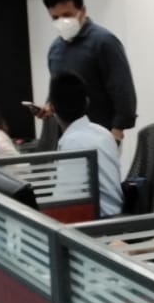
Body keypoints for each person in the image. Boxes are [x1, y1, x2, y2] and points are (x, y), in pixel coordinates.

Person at [39, 0, 136, 146]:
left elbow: (123, 91)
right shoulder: (55, 49)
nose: (62, 21)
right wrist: (49, 106)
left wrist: (116, 133)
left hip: (101, 137)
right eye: (55, 17)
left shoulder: (104, 42)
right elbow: (59, 91)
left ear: (82, 11)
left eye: (67, 15)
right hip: (66, 139)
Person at [48, 71, 122, 218]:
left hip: (97, 223)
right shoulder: (103, 132)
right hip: (115, 215)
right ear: (87, 102)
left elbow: (65, 204)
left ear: (51, 108)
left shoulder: (72, 143)